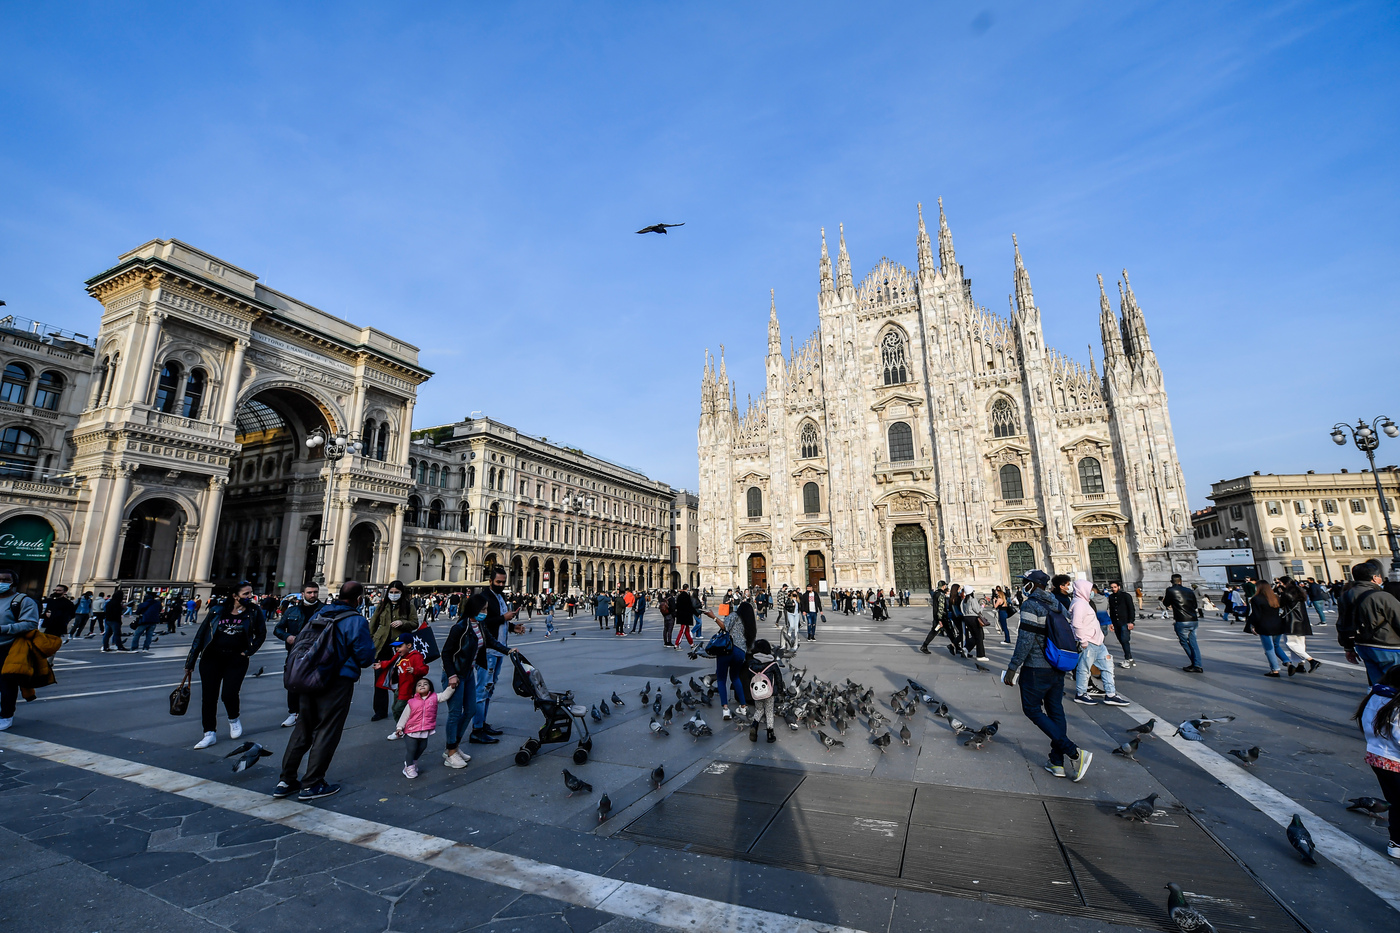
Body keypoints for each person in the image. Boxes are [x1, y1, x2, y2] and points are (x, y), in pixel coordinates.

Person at [275, 581, 376, 800]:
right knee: (327, 730)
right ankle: (311, 783)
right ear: (359, 599)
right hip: (336, 682)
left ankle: (286, 780)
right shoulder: (355, 620)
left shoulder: (320, 613)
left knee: (302, 728)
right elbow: (365, 657)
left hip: (309, 677)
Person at [1004, 570, 1092, 782]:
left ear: (1034, 585)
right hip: (1057, 666)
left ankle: (1074, 752)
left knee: (1032, 709)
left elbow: (1025, 640)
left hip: (1037, 668)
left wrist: (1013, 667)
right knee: (1055, 711)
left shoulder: (1031, 605)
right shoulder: (1057, 604)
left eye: (1026, 582)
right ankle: (1056, 762)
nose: (1024, 585)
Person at [184, 582, 267, 749]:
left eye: (250, 593)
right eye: (246, 594)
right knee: (209, 697)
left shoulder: (253, 611)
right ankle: (209, 733)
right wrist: (190, 661)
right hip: (211, 658)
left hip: (236, 659)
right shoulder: (217, 610)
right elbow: (201, 635)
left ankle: (233, 719)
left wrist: (249, 651)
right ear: (235, 596)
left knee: (229, 694)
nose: (250, 596)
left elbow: (261, 634)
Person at [440, 591, 515, 768]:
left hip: (467, 673)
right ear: (473, 609)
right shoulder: (460, 627)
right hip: (455, 675)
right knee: (455, 713)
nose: (485, 613)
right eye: (482, 609)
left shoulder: (480, 625)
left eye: (486, 609)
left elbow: (491, 641)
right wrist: (451, 675)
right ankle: (450, 752)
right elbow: (446, 653)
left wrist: (509, 651)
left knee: (471, 710)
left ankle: (454, 746)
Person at [1351, 666, 1400, 859]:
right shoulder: (1396, 703)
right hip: (1394, 760)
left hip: (1376, 757)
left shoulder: (1375, 695)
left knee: (1395, 801)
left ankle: (1396, 842)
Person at [472, 566, 524, 744]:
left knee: (489, 688)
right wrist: (504, 618)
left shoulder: (500, 597)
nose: (501, 585)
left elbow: (500, 621)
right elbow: (482, 622)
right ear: (490, 581)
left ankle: (482, 723)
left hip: (498, 650)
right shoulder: (484, 598)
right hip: (487, 651)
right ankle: (476, 729)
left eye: (503, 582)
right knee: (482, 690)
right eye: (498, 582)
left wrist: (512, 627)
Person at [1068, 579, 1129, 706]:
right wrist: (1083, 641)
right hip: (1089, 642)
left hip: (1097, 642)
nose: (1091, 592)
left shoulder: (1084, 602)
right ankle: (1081, 693)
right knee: (1084, 669)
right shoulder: (1079, 604)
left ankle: (1110, 694)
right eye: (1089, 590)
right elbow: (1076, 624)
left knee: (1107, 666)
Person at [1338, 561, 1400, 685]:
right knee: (1395, 683)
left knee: (1378, 684)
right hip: (1387, 645)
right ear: (1374, 578)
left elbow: (1342, 623)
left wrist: (1348, 647)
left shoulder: (1346, 596)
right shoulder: (1382, 596)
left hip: (1362, 645)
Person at [273, 583, 324, 728]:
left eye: (315, 592)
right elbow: (278, 629)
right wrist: (288, 637)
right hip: (295, 652)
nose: (313, 595)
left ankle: (312, 713)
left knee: (315, 682)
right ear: (303, 594)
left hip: (317, 652)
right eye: (309, 592)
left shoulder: (324, 610)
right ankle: (293, 712)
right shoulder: (292, 611)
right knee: (293, 682)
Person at [369, 580, 417, 722]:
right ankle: (380, 710)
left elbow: (415, 623)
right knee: (379, 679)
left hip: (400, 647)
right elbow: (373, 623)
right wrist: (370, 639)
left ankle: (403, 709)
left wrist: (403, 622)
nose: (393, 594)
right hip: (382, 645)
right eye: (391, 592)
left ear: (402, 593)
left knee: (402, 680)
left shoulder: (408, 606)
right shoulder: (383, 605)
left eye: (396, 592)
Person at [0, 569, 42, 732]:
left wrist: (4, 628)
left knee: (7, 684)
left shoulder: (23, 601)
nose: (1, 583)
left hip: (10, 648)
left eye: (5, 580)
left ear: (14, 583)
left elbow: (30, 623)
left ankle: (6, 716)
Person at [382, 638, 429, 738]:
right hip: (401, 687)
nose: (397, 649)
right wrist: (381, 665)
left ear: (409, 645)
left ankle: (404, 729)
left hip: (409, 688)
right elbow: (391, 662)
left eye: (399, 646)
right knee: (395, 708)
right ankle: (402, 729)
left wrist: (415, 670)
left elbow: (424, 669)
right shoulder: (400, 656)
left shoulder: (416, 656)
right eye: (396, 647)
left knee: (399, 708)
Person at [395, 676, 438, 779]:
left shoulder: (434, 698)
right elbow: (404, 716)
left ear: (430, 687)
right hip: (411, 731)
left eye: (425, 684)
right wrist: (399, 727)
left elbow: (444, 696)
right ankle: (409, 767)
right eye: (419, 685)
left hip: (424, 730)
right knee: (412, 749)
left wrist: (451, 687)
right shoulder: (412, 702)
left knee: (422, 747)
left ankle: (412, 762)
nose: (422, 686)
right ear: (415, 689)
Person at [1248, 581, 1294, 677]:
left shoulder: (1256, 599)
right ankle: (1288, 662)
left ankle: (1275, 669)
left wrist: (1253, 625)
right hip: (1277, 624)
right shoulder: (1275, 597)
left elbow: (1256, 614)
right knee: (1276, 645)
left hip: (1265, 626)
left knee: (1269, 648)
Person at [710, 614, 748, 721]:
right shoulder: (748, 619)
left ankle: (725, 709)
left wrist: (713, 617)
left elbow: (725, 627)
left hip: (727, 650)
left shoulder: (734, 615)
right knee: (735, 677)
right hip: (740, 652)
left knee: (721, 679)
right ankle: (743, 706)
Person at [745, 638, 784, 743]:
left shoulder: (751, 664)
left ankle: (754, 726)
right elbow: (779, 678)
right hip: (770, 693)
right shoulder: (772, 664)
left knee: (759, 710)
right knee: (769, 712)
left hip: (757, 692)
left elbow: (749, 678)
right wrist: (780, 690)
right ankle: (770, 734)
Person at [1278, 577, 1321, 673]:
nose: (1279, 584)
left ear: (1284, 583)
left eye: (1280, 583)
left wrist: (1280, 594)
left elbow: (1281, 605)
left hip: (1291, 621)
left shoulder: (1286, 593)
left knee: (1290, 643)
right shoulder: (1299, 592)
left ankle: (1311, 660)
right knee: (1300, 644)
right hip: (1302, 621)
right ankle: (1300, 665)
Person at [1163, 574, 1203, 672]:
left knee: (1184, 642)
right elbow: (1195, 605)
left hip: (1181, 620)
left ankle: (1195, 664)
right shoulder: (1189, 590)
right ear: (1181, 581)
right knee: (1193, 642)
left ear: (1171, 581)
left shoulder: (1170, 590)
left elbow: (1166, 603)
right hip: (1193, 620)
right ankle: (1197, 664)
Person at [1106, 581, 1135, 668]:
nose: (1113, 589)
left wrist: (1131, 621)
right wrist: (1111, 622)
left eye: (1115, 587)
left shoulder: (1126, 596)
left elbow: (1131, 609)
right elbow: (1111, 610)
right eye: (1111, 587)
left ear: (1119, 587)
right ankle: (1130, 659)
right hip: (1116, 622)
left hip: (1125, 621)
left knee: (1125, 640)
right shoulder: (1111, 597)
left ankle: (1127, 659)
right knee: (1121, 641)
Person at [920, 581, 951, 654]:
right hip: (941, 618)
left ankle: (956, 646)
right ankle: (924, 646)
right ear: (943, 586)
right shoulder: (941, 595)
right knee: (935, 631)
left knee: (949, 631)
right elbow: (941, 607)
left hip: (937, 616)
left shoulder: (935, 593)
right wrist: (940, 619)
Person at [671, 584, 701, 650]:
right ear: (687, 588)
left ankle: (692, 644)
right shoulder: (687, 596)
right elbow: (690, 607)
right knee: (682, 630)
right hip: (685, 616)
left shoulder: (679, 596)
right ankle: (677, 644)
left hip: (681, 615)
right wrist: (697, 614)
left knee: (687, 631)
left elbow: (677, 606)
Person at [100, 588, 126, 652]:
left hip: (108, 619)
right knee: (117, 634)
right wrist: (122, 608)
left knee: (107, 634)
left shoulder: (109, 602)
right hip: (115, 620)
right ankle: (119, 646)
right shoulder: (117, 604)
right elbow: (118, 612)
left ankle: (105, 646)